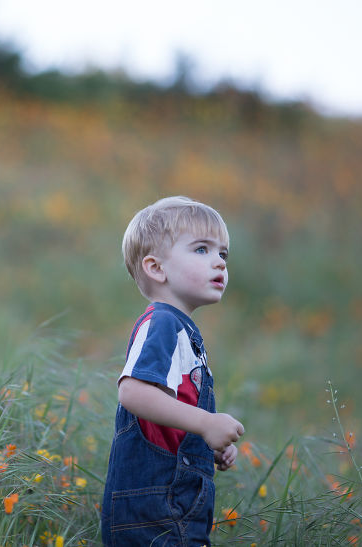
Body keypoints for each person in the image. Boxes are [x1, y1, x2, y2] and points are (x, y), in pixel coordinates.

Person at [101, 196, 245, 546]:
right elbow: (134, 392)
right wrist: (206, 423)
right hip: (154, 511)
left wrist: (202, 443)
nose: (219, 262)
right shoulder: (163, 323)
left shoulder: (181, 329)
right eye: (201, 249)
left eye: (223, 254)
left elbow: (165, 417)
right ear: (156, 268)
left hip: (172, 506)